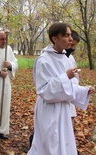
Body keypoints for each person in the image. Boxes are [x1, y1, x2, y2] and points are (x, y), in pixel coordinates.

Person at [27, 22, 94, 155]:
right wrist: (65, 77)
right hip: (49, 110)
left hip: (63, 109)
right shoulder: (43, 60)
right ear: (55, 38)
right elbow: (43, 90)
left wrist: (84, 90)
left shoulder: (67, 59)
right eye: (66, 35)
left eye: (70, 35)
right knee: (50, 144)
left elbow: (71, 87)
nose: (70, 38)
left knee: (64, 143)